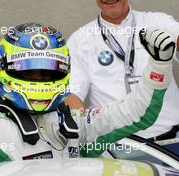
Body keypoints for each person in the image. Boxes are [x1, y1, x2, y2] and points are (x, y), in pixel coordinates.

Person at [0, 13, 175, 162]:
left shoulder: (78, 125)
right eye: (30, 70)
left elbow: (138, 113)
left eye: (49, 71)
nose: (40, 78)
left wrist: (159, 65)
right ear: (4, 67)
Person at [65, 0, 179, 154]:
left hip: (172, 142)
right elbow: (71, 95)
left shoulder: (158, 21)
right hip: (118, 150)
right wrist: (82, 138)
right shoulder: (80, 39)